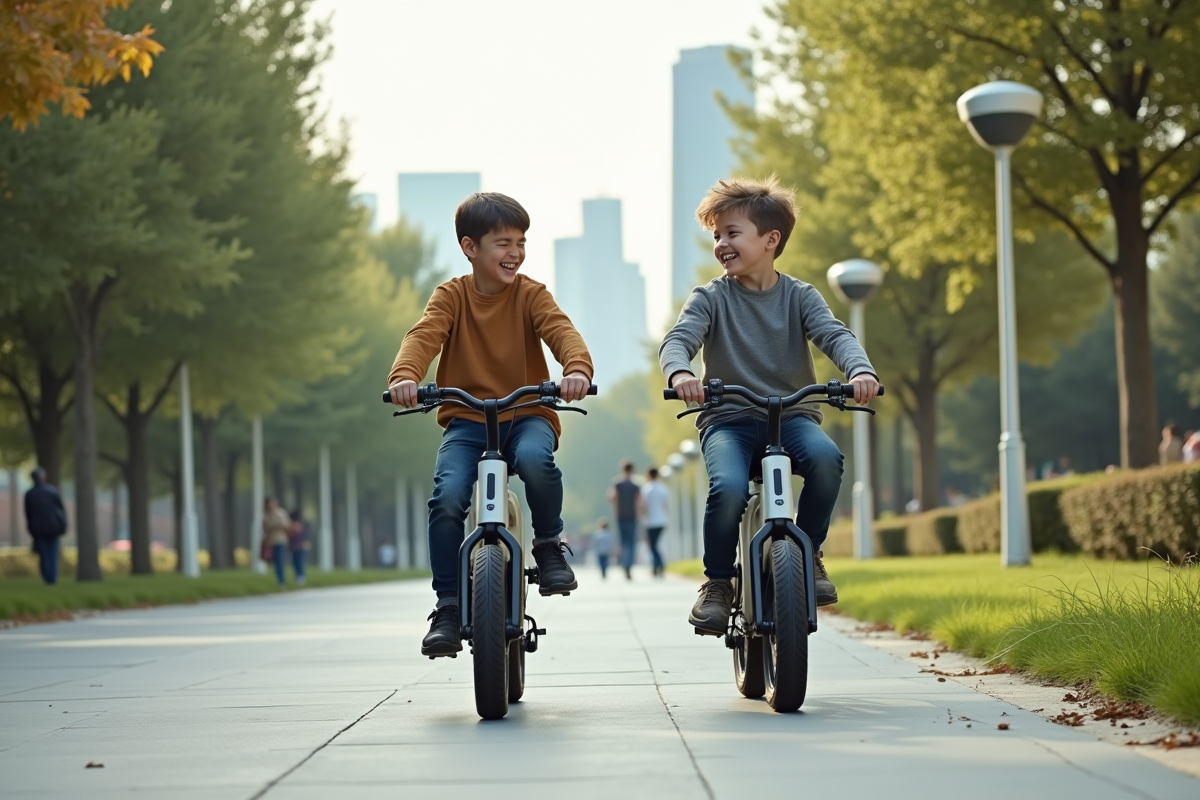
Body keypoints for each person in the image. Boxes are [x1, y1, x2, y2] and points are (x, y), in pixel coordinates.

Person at [660, 176, 880, 637]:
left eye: (732, 233)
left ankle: (809, 553)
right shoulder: (710, 298)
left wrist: (860, 372)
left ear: (770, 239)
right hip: (729, 420)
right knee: (729, 486)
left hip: (793, 416)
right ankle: (718, 582)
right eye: (717, 235)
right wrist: (680, 373)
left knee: (827, 460)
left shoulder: (800, 296)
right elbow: (679, 340)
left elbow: (834, 334)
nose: (721, 244)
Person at [386, 191, 594, 658]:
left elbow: (561, 330)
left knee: (537, 460)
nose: (515, 252)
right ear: (470, 247)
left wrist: (576, 368)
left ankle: (547, 544)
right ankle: (447, 604)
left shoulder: (531, 294)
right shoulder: (452, 296)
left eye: (520, 242)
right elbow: (425, 335)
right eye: (503, 242)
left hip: (527, 415)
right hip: (467, 420)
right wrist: (405, 376)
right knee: (447, 497)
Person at [23, 467, 67, 585]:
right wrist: (63, 526)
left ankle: (47, 577)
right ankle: (52, 579)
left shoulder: (30, 494)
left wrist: (31, 528)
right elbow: (61, 511)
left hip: (38, 529)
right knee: (53, 554)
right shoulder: (52, 491)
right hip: (53, 528)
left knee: (43, 554)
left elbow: (28, 513)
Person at [607, 460, 641, 580]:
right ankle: (628, 566)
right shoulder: (635, 485)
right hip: (632, 516)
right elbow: (639, 502)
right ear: (632, 470)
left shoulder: (617, 483)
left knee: (624, 542)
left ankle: (625, 564)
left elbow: (611, 498)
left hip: (620, 516)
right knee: (631, 543)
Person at [641, 466, 670, 577]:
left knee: (652, 546)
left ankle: (659, 566)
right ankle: (657, 567)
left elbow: (644, 505)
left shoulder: (646, 489)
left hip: (651, 521)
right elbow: (666, 504)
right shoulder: (663, 488)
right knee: (656, 545)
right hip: (661, 520)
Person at [261, 497, 291, 588]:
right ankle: (279, 579)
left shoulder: (280, 513)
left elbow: (286, 525)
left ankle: (281, 581)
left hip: (280, 540)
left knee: (279, 561)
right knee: (273, 562)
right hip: (270, 541)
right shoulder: (266, 515)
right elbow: (265, 528)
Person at [287, 508, 309, 586]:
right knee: (298, 562)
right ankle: (299, 576)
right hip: (298, 546)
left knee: (298, 562)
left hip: (296, 546)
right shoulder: (300, 524)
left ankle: (300, 576)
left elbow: (290, 534)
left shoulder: (294, 525)